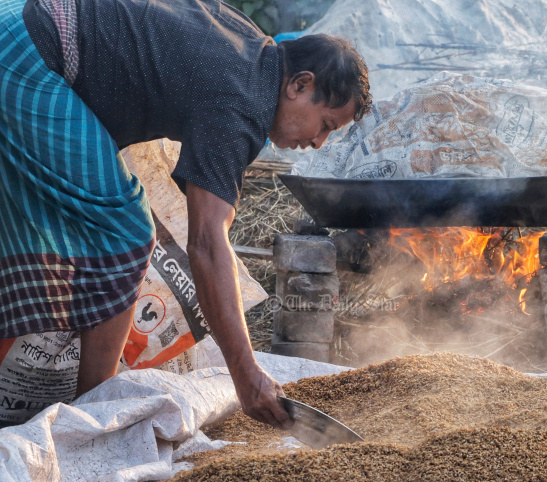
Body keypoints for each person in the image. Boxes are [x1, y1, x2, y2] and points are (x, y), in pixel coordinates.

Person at [0, 0, 371, 428]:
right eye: (324, 124)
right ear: (299, 85)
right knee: (129, 234)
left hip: (19, 25)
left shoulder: (253, 50)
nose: (319, 142)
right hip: (30, 53)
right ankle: (88, 422)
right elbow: (207, 245)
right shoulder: (243, 100)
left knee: (30, 233)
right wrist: (245, 375)